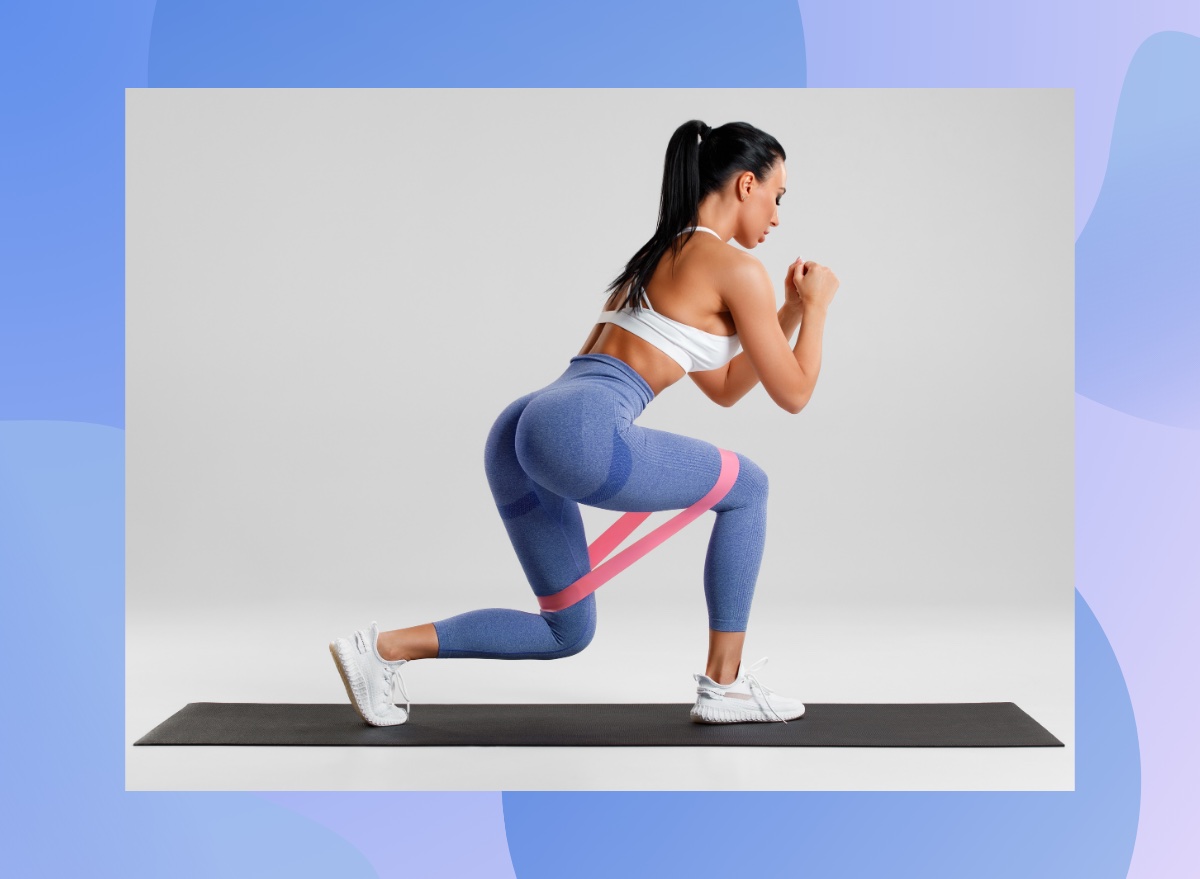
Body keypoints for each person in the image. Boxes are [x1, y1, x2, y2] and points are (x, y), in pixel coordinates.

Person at [330, 119, 840, 727]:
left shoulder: (660, 255)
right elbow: (796, 392)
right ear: (747, 185)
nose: (778, 218)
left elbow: (726, 386)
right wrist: (818, 310)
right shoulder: (735, 268)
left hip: (525, 425)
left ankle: (380, 651)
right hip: (581, 431)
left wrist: (787, 311)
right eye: (778, 197)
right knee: (749, 488)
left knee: (566, 628)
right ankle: (724, 686)